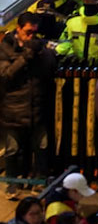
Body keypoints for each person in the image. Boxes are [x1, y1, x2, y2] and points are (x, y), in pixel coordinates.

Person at [0, 13, 55, 177]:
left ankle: (38, 182)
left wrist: (43, 53)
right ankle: (12, 183)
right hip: (13, 110)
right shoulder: (5, 47)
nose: (31, 36)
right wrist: (26, 56)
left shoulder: (37, 47)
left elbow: (50, 69)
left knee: (41, 149)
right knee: (13, 150)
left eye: (34, 33)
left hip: (37, 110)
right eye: (28, 32)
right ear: (18, 29)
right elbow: (5, 75)